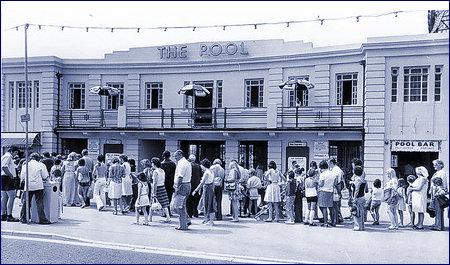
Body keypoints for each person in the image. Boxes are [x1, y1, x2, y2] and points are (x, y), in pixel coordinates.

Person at [19, 153, 51, 224]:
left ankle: (23, 218)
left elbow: (22, 177)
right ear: (38, 158)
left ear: (30, 158)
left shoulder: (25, 165)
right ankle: (42, 219)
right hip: (38, 185)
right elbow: (45, 176)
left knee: (26, 202)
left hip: (28, 185)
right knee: (39, 202)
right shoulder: (41, 165)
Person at [193, 158, 216, 226]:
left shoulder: (206, 173)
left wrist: (195, 190)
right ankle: (208, 220)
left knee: (207, 204)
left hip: (207, 188)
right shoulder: (211, 171)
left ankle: (210, 221)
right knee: (210, 204)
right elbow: (213, 182)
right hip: (210, 188)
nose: (201, 167)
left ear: (203, 165)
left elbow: (202, 183)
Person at [173, 150, 192, 230]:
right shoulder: (187, 162)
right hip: (187, 184)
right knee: (182, 205)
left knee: (178, 206)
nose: (174, 158)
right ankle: (186, 220)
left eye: (175, 156)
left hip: (182, 185)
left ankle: (183, 224)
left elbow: (180, 176)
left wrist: (177, 186)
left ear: (180, 154)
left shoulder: (181, 163)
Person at [1, 145, 20, 222]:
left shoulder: (4, 156)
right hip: (8, 178)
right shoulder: (8, 157)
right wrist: (11, 175)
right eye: (15, 152)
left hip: (3, 178)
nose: (16, 154)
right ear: (11, 151)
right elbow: (4, 167)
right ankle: (9, 215)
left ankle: (3, 214)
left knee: (4, 197)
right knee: (11, 197)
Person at [151, 157, 171, 223]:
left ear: (154, 164)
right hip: (162, 187)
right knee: (164, 203)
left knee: (152, 203)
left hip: (157, 188)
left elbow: (155, 183)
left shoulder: (155, 172)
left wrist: (153, 192)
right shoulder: (162, 171)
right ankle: (168, 217)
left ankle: (150, 217)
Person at [318, 160, 337, 227]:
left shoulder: (322, 174)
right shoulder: (332, 174)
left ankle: (325, 222)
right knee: (331, 207)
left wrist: (317, 182)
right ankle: (333, 221)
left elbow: (321, 184)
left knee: (323, 207)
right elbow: (335, 183)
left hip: (323, 191)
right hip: (330, 190)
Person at [329, 158, 344, 224]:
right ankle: (338, 218)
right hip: (338, 186)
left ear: (331, 163)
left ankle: (335, 219)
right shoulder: (337, 169)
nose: (328, 164)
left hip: (335, 187)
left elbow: (335, 179)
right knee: (337, 204)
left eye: (329, 163)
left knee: (335, 204)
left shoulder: (335, 170)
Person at [351, 166, 366, 231]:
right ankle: (361, 226)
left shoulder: (357, 180)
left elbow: (356, 190)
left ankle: (357, 226)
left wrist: (354, 198)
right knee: (361, 212)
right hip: (362, 196)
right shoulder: (363, 180)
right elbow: (365, 189)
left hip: (358, 197)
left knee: (357, 212)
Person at [161, 151, 176, 216]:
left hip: (163, 182)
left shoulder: (162, 164)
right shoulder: (173, 164)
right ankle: (168, 211)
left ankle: (165, 212)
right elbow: (175, 174)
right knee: (169, 197)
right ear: (169, 156)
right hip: (171, 182)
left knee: (164, 197)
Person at [187, 154, 201, 218]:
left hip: (190, 184)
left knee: (189, 200)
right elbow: (201, 175)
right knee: (196, 201)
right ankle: (196, 213)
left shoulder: (189, 165)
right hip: (196, 185)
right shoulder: (198, 166)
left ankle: (189, 213)